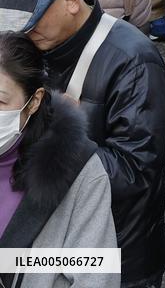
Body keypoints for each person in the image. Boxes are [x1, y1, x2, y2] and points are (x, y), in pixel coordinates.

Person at [0, 0, 165, 288]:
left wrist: (55, 139)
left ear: (70, 1)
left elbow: (136, 172)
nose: (23, 34)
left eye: (31, 23)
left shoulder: (132, 60)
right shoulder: (42, 44)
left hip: (118, 251)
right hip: (37, 242)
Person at [0, 31, 118, 285]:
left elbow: (97, 271)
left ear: (34, 102)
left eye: (0, 101)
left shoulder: (80, 171)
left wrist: (21, 261)